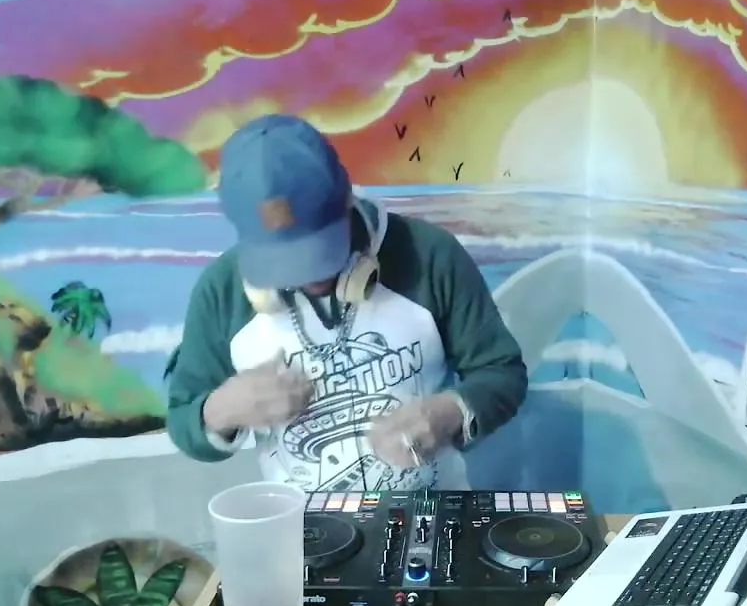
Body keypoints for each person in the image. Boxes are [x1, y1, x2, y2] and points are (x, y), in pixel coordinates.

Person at [165, 113, 527, 492]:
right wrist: (222, 409)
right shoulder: (220, 290)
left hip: (433, 510)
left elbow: (502, 373)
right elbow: (183, 419)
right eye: (285, 263)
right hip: (300, 523)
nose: (308, 276)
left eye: (320, 251)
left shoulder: (431, 255)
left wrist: (450, 411)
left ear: (347, 197)